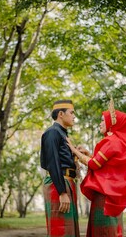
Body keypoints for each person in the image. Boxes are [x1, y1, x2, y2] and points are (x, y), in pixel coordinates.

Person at [67, 99, 126, 237]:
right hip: (111, 195)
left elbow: (94, 164)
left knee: (102, 232)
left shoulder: (112, 142)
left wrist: (73, 150)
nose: (100, 123)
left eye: (102, 120)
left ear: (112, 123)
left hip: (104, 197)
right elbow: (106, 165)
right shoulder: (119, 142)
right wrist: (86, 153)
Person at [40, 99, 80, 237]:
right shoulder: (52, 132)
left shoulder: (62, 133)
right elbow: (53, 163)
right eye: (72, 112)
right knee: (61, 230)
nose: (74, 116)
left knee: (70, 230)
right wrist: (62, 192)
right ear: (61, 114)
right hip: (58, 185)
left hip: (66, 182)